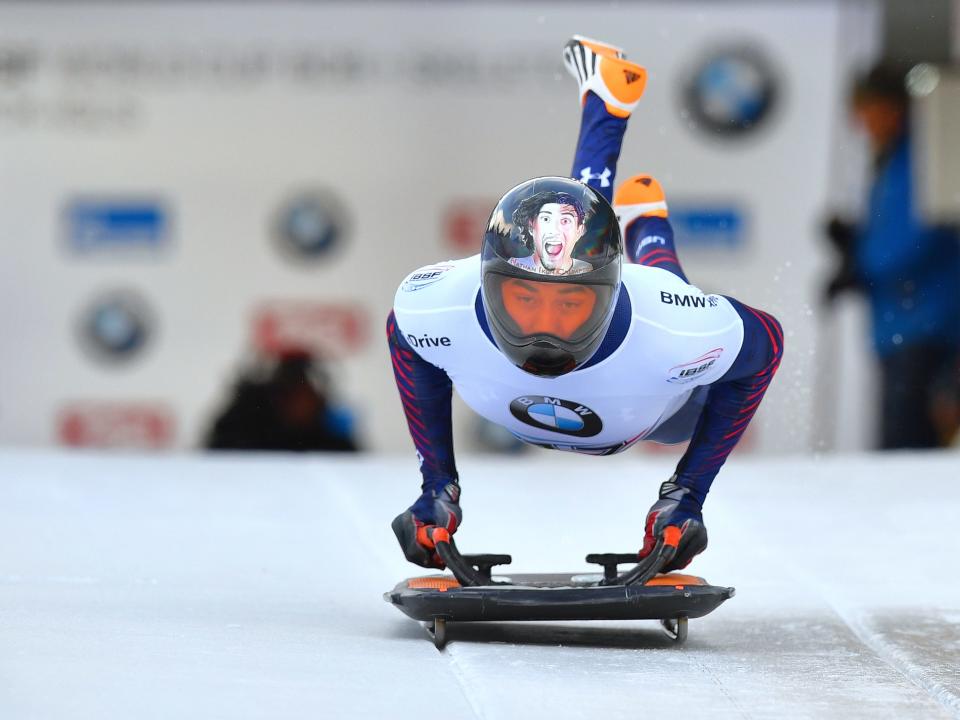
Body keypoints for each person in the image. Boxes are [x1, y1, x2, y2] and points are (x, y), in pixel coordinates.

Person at [387, 36, 783, 571]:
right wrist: (438, 486)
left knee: (668, 305)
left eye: (570, 305)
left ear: (609, 296)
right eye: (524, 300)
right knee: (608, 260)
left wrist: (687, 493)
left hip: (662, 404)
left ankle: (645, 222)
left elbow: (768, 343)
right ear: (487, 284)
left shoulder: (672, 330)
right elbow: (404, 335)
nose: (544, 331)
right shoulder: (438, 305)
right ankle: (641, 210)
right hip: (631, 384)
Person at [824, 64, 960, 449]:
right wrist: (854, 241)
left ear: (893, 107)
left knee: (908, 446)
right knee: (903, 442)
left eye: (868, 107)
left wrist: (858, 263)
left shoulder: (919, 157)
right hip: (904, 324)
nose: (860, 119)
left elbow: (917, 237)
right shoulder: (894, 158)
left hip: (925, 323)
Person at [205, 348, 359, 452]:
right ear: (279, 398)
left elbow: (354, 466)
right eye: (294, 395)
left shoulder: (329, 430)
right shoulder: (245, 425)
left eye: (309, 396)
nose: (302, 405)